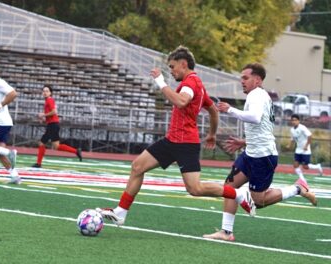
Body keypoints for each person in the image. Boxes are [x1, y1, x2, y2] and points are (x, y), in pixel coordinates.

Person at [96, 46, 256, 226]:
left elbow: (181, 101)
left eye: (172, 67)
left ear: (183, 64)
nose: (171, 71)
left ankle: (238, 194)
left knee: (195, 189)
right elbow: (212, 110)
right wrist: (211, 134)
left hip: (185, 143)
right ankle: (121, 212)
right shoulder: (197, 85)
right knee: (137, 167)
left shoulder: (190, 83)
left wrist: (160, 82)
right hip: (172, 140)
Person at [203, 63, 317, 241]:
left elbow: (255, 118)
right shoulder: (259, 95)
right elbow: (263, 126)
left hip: (263, 157)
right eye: (241, 78)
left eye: (245, 78)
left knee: (259, 201)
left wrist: (230, 109)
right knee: (229, 187)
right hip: (251, 152)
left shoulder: (257, 95)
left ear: (257, 80)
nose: (242, 81)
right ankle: (226, 232)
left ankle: (297, 189)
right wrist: (244, 141)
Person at [32, 85, 82, 168]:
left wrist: (43, 115)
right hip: (52, 125)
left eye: (47, 91)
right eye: (44, 91)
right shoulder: (48, 100)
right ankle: (76, 151)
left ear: (50, 93)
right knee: (51, 145)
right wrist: (44, 118)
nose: (45, 92)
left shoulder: (49, 100)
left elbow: (54, 112)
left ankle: (38, 163)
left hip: (53, 125)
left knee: (47, 144)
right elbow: (52, 114)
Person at [289, 114, 323, 181]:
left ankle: (317, 166)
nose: (293, 122)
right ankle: (302, 179)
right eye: (292, 120)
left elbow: (310, 136)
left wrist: (306, 146)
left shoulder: (302, 127)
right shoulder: (292, 129)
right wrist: (289, 145)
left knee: (305, 166)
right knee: (295, 165)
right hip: (298, 150)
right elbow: (292, 138)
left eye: (295, 120)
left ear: (298, 121)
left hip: (305, 150)